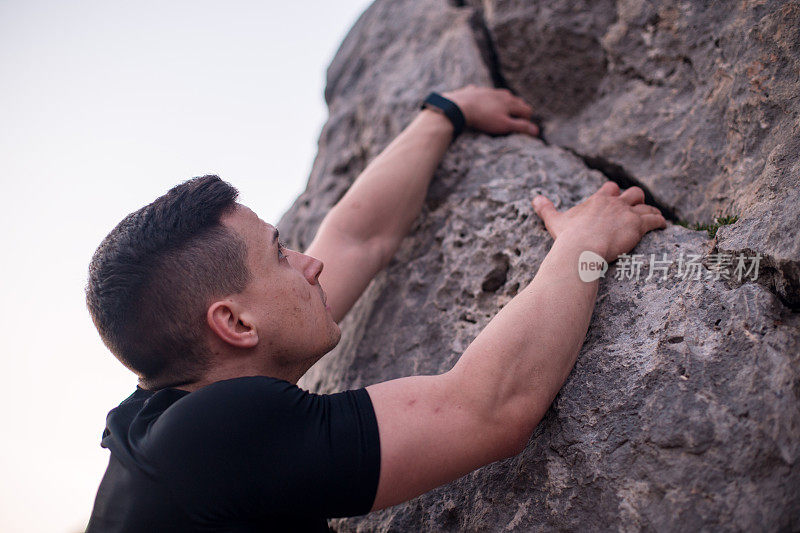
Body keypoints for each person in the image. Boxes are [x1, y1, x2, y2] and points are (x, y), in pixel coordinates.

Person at [85, 85, 666, 532]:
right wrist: (584, 246)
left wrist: (445, 112)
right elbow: (489, 409)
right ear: (235, 323)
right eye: (280, 255)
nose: (308, 262)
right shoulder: (213, 436)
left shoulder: (169, 421)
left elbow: (359, 239)